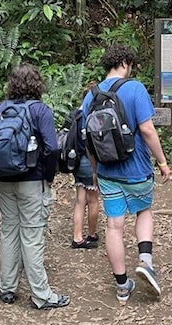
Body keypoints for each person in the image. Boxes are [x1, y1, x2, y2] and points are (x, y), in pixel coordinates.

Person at [81, 45, 172, 303]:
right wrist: (163, 162)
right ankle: (145, 260)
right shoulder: (135, 89)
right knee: (143, 211)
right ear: (124, 62)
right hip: (137, 169)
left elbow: (88, 140)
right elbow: (147, 130)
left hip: (108, 172)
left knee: (113, 226)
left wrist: (96, 172)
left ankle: (122, 286)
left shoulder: (91, 95)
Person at [0, 64, 69, 309]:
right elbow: (52, 147)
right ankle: (41, 295)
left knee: (9, 231)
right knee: (32, 235)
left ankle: (6, 287)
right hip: (33, 180)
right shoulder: (40, 110)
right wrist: (48, 176)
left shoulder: (1, 109)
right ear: (38, 84)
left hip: (5, 180)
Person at [71, 85, 100, 249]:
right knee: (94, 199)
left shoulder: (76, 114)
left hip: (76, 161)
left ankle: (77, 237)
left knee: (80, 200)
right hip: (90, 162)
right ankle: (91, 234)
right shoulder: (93, 116)